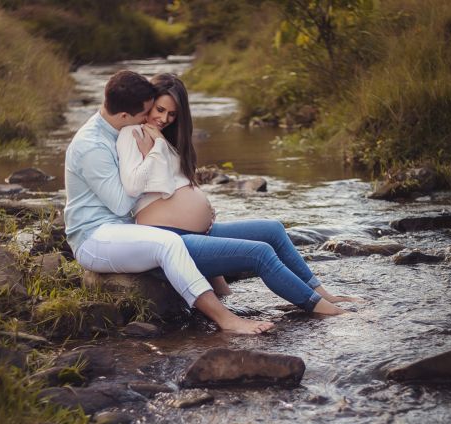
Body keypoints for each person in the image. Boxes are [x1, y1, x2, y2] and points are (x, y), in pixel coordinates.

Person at [116, 73, 354, 315]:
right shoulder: (133, 135)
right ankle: (326, 310)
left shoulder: (162, 137)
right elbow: (141, 187)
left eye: (172, 114)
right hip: (168, 241)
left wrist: (202, 210)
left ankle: (322, 293)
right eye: (159, 109)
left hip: (194, 233)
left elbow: (176, 185)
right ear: (147, 102)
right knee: (260, 253)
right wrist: (156, 147)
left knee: (272, 229)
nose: (164, 118)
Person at [64, 69, 274, 335]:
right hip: (94, 237)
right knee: (170, 243)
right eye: (145, 114)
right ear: (125, 116)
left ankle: (224, 295)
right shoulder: (92, 145)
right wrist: (154, 156)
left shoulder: (120, 129)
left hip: (124, 229)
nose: (150, 120)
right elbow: (120, 204)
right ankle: (226, 319)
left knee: (188, 236)